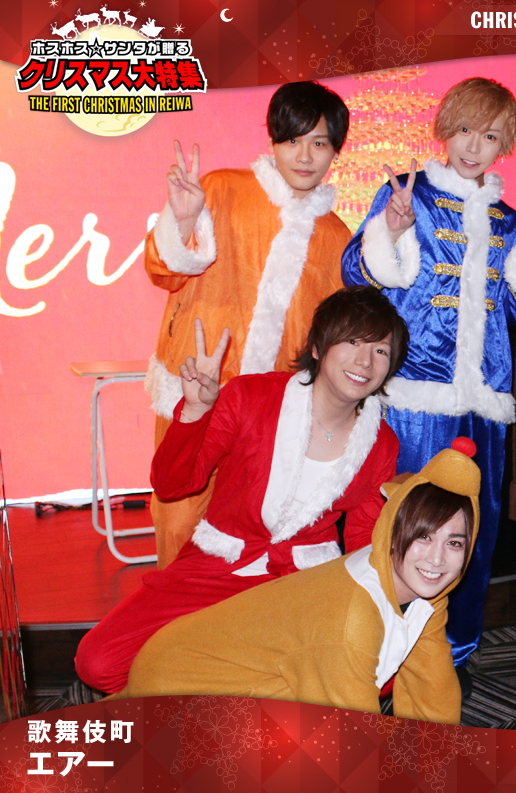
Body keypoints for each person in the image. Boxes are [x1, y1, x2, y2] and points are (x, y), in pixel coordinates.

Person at [75, 286, 409, 694]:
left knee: (379, 672)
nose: (365, 361)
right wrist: (196, 411)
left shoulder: (380, 442)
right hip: (217, 567)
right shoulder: (251, 396)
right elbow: (173, 484)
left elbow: (362, 539)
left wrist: (379, 607)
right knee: (99, 662)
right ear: (318, 347)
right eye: (353, 341)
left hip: (299, 584)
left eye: (380, 350)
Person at [341, 77, 516, 672]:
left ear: (504, 146)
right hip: (414, 399)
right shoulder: (407, 195)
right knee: (404, 524)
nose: (473, 146)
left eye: (489, 136)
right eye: (465, 129)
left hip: (484, 404)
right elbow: (357, 275)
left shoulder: (510, 223)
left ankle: (453, 655)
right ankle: (379, 653)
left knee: (472, 534)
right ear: (445, 129)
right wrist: (391, 229)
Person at [115, 440, 481, 724]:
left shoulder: (423, 594)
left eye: (454, 543)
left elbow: (430, 691)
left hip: (226, 674)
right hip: (178, 684)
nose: (437, 559)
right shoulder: (352, 618)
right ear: (393, 530)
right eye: (424, 537)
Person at [145, 80, 352, 568]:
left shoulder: (336, 237)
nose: (305, 156)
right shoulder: (220, 189)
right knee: (179, 517)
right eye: (293, 140)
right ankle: (174, 616)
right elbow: (163, 270)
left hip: (271, 413)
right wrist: (181, 222)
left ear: (335, 152)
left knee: (255, 534)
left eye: (320, 143)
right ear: (273, 140)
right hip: (197, 387)